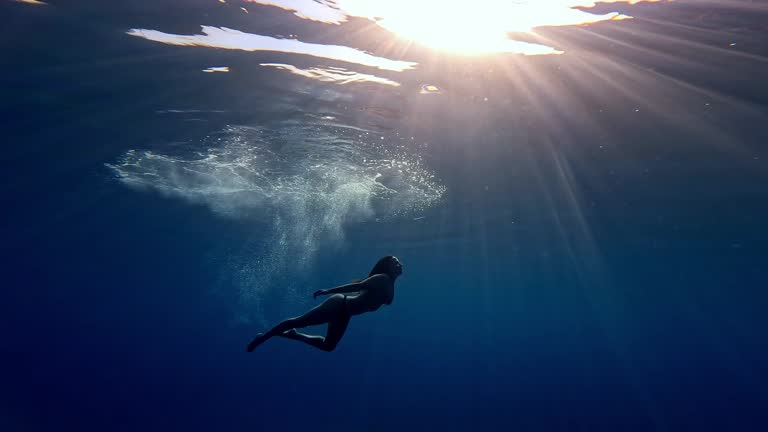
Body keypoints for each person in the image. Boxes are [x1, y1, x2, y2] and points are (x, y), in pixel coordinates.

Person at [246, 256, 403, 352]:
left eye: (398, 261)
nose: (399, 263)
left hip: (345, 314)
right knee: (300, 321)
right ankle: (263, 337)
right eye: (395, 261)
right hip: (339, 304)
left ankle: (293, 335)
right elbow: (356, 287)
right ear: (387, 266)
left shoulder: (391, 286)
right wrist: (329, 291)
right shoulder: (382, 278)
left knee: (328, 346)